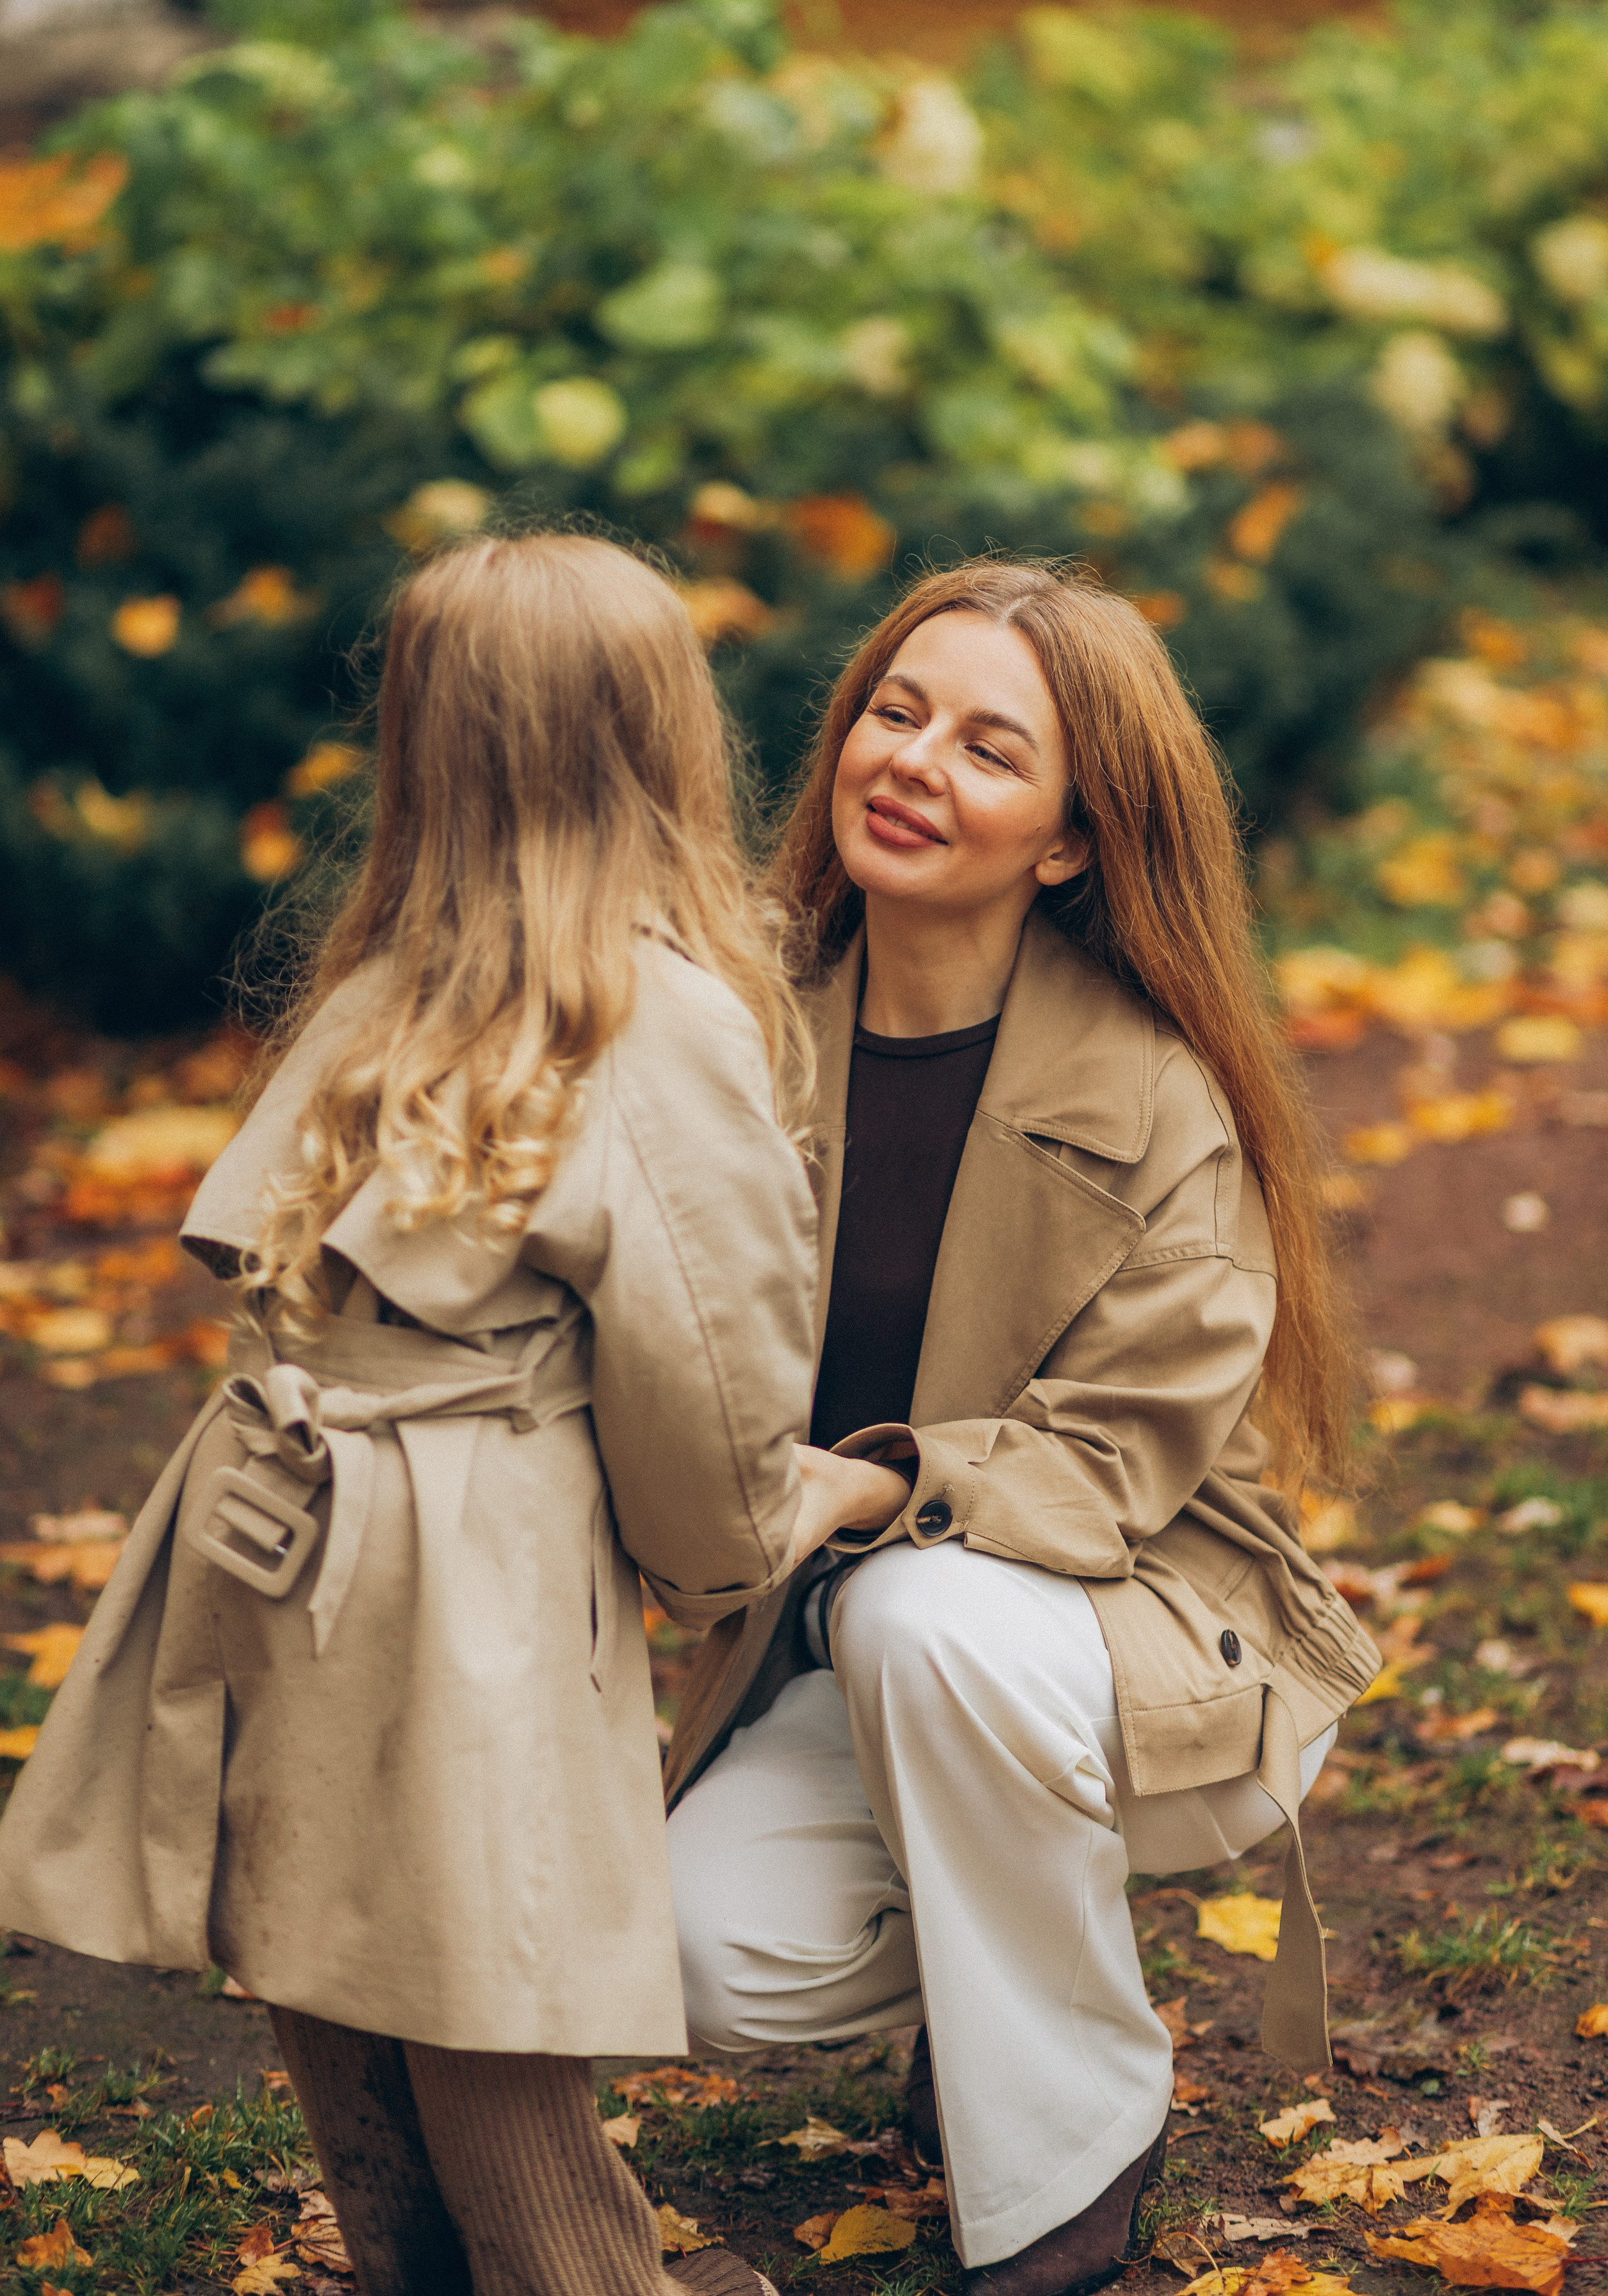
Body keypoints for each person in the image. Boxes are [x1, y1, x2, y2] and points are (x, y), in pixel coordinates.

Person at [0, 532, 910, 2296]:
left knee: (332, 1930)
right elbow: (707, 1376)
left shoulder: (383, 984)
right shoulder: (651, 1020)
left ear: (423, 742)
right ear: (662, 739)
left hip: (275, 1510)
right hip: (460, 1551)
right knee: (487, 1972)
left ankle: (412, 2263)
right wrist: (765, 1534)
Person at [664, 560, 1382, 2296]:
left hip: (1134, 1643)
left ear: (1068, 840)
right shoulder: (736, 1032)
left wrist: (880, 1479)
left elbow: (1110, 1465)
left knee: (924, 1612)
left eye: (992, 748)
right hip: (852, 1655)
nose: (915, 763)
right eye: (895, 715)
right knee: (694, 1952)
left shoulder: (1156, 1096)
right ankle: (1000, 1985)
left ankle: (1071, 2156)